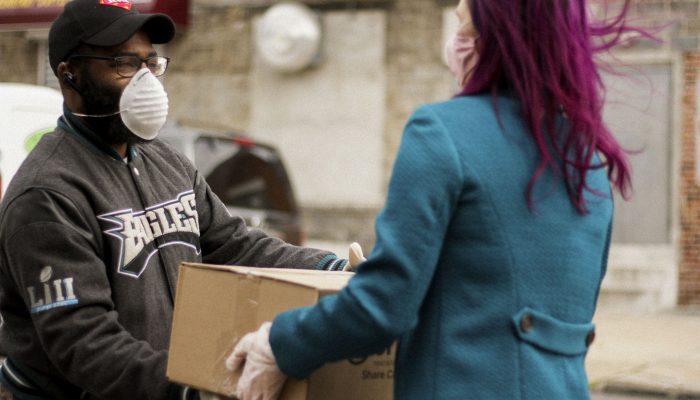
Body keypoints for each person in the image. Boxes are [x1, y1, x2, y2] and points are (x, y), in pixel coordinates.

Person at [230, 0, 640, 399]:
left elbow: (383, 307)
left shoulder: (442, 132)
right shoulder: (587, 161)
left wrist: (280, 345)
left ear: (496, 37)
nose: (455, 41)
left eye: (464, 26)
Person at [0, 0, 362, 399]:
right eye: (124, 63)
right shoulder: (47, 195)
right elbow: (86, 344)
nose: (145, 81)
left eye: (150, 64)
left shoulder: (164, 160)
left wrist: (335, 269)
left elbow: (236, 246)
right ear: (70, 77)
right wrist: (191, 389)